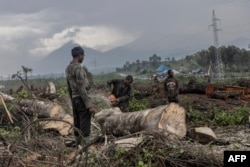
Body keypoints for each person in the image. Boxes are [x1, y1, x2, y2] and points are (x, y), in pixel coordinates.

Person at [65, 46, 97, 146]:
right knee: (85, 122)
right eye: (83, 55)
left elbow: (69, 87)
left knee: (77, 121)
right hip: (81, 98)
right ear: (79, 55)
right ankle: (86, 146)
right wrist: (89, 105)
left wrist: (72, 100)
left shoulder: (68, 68)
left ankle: (78, 143)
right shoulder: (78, 68)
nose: (83, 57)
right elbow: (81, 88)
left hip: (74, 98)